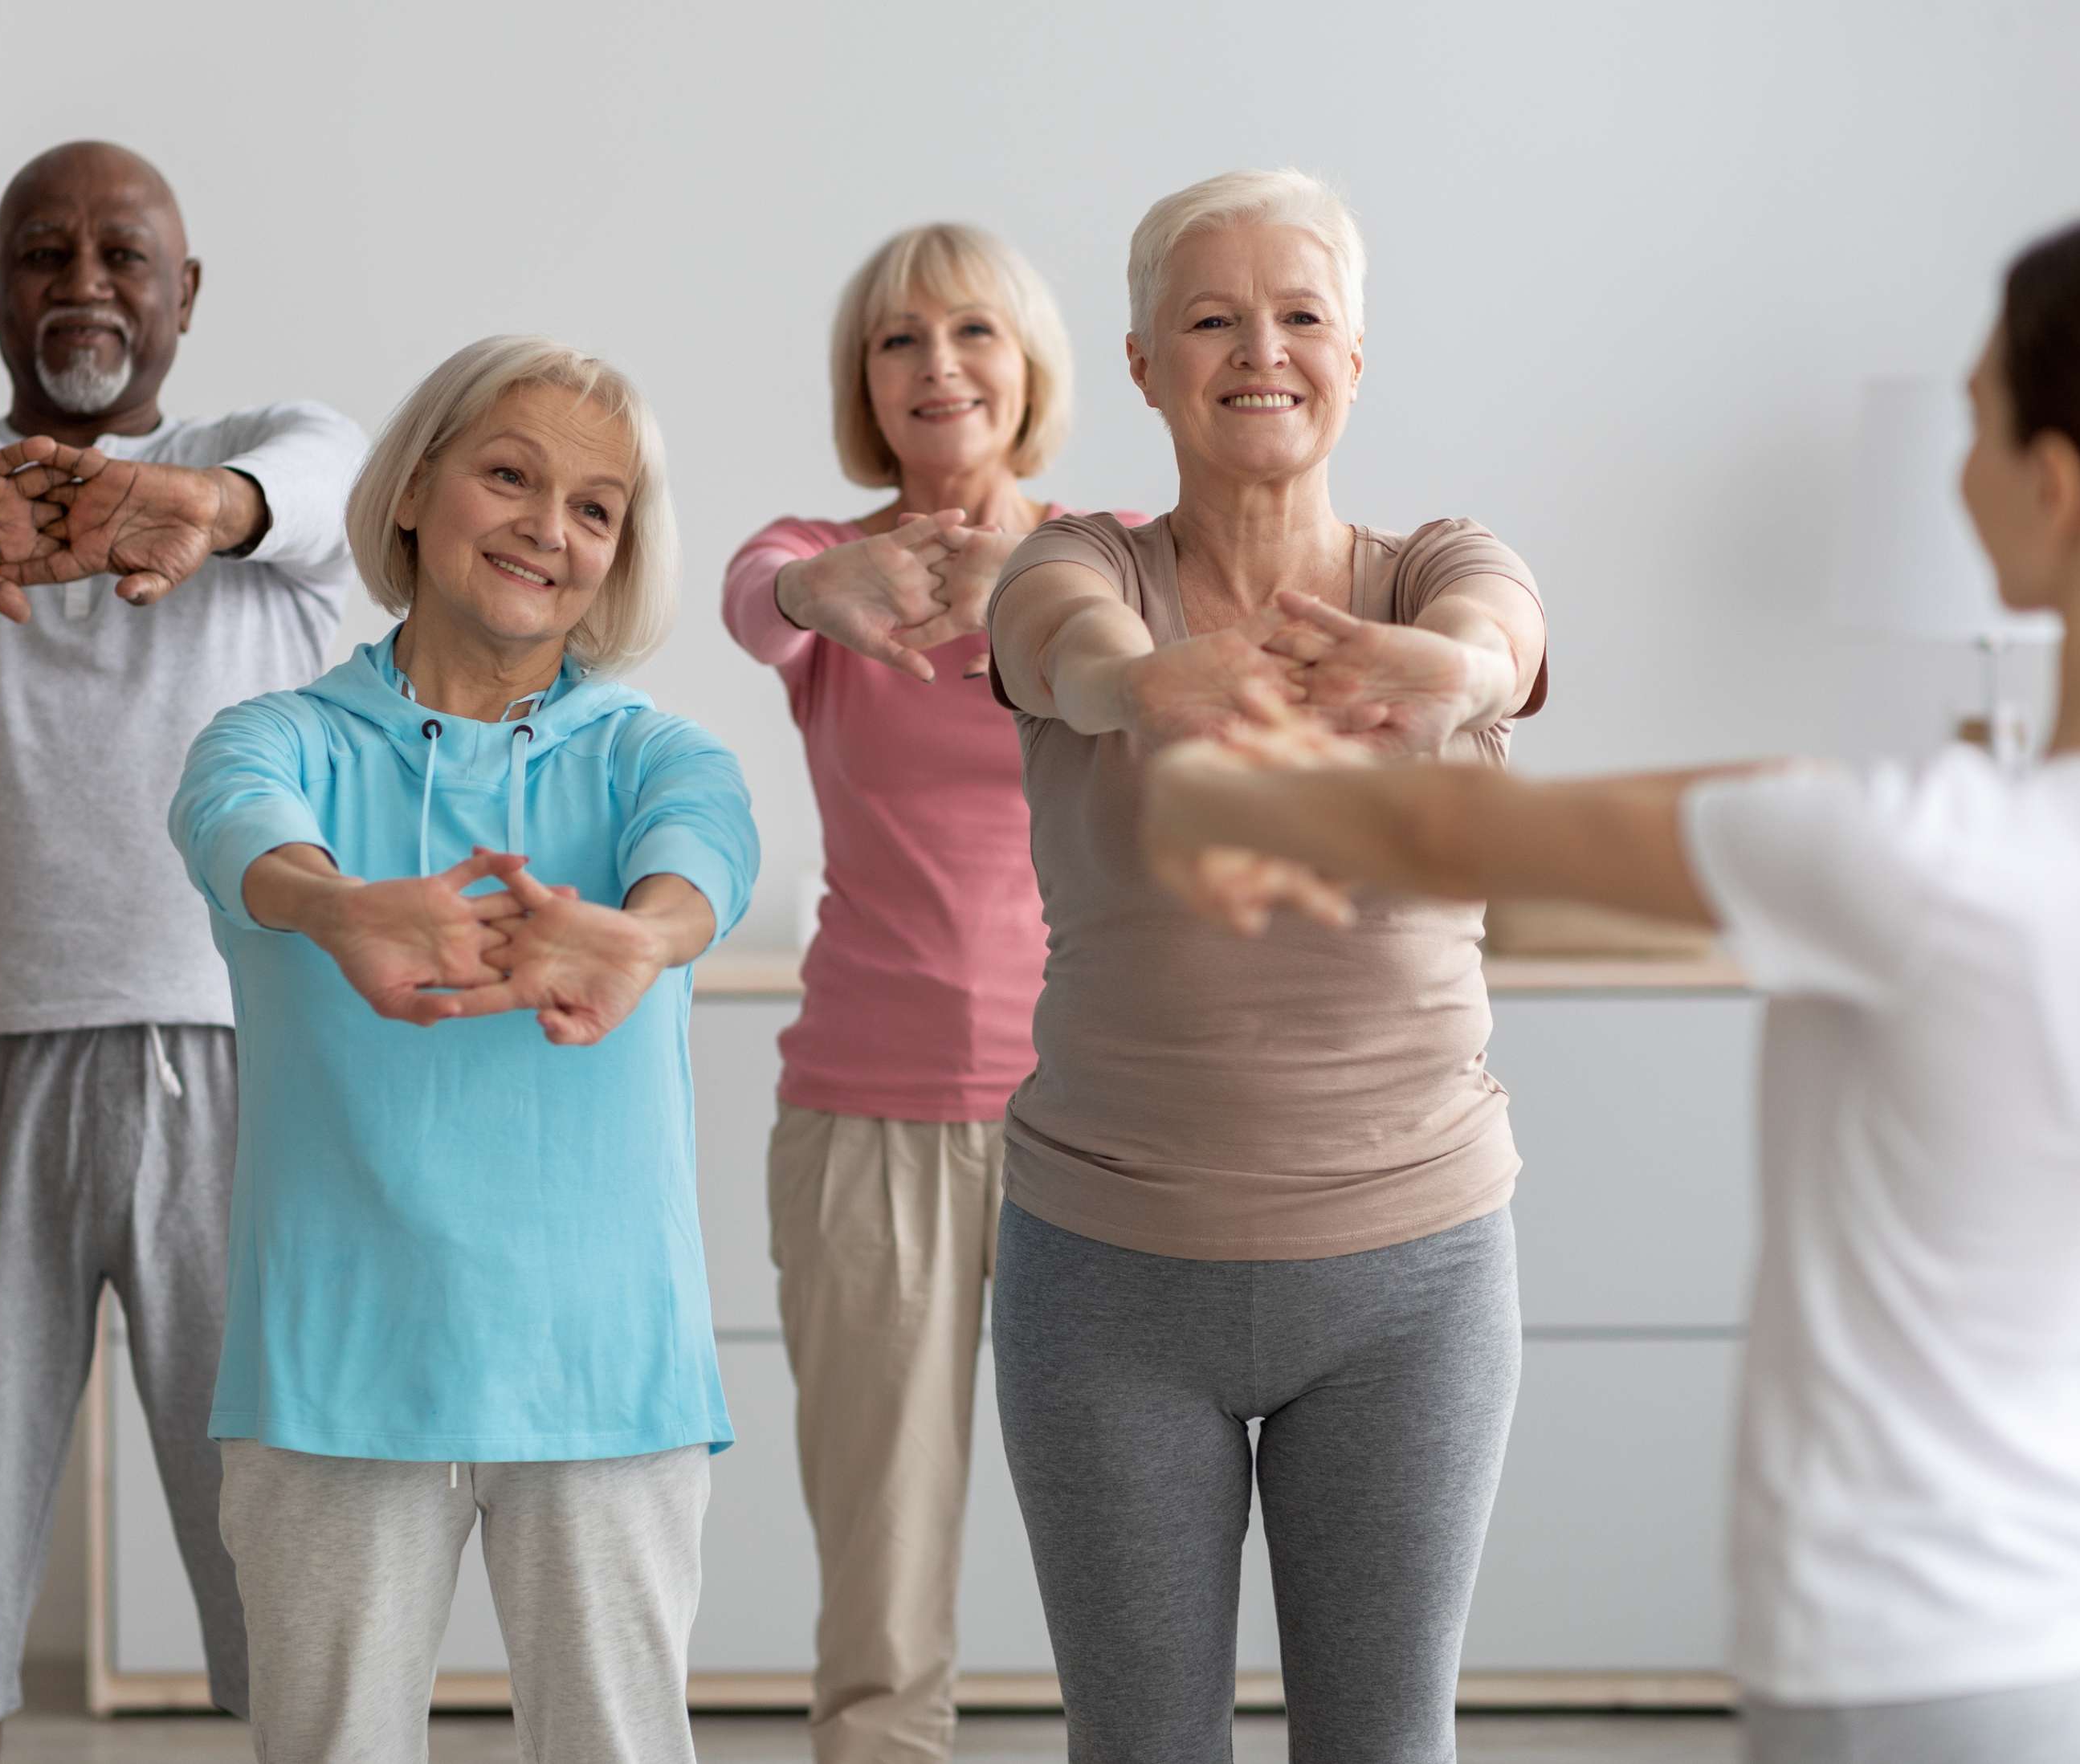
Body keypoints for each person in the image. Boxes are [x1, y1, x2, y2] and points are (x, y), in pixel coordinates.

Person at [1136, 198, 2080, 1764]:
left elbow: (1459, 821)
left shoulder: (1932, 866)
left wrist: (1216, 796)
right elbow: (1708, 806)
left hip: (1938, 1681)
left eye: (1972, 421)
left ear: (2059, 487)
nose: (1954, 471)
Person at [0, 141, 364, 1758]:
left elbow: (334, 478)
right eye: (43, 252)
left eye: (123, 253)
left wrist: (201, 506)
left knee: (309, 1577)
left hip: (253, 1079)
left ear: (185, 295)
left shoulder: (266, 478)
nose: (84, 280)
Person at [980, 168, 1552, 1762]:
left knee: (1382, 1740)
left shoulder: (1434, 568)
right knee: (1140, 1741)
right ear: (1147, 365)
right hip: (1106, 1269)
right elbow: (1060, 655)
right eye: (1212, 318)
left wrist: (1448, 676)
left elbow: (1501, 632)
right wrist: (1149, 687)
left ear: (1354, 361)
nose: (1262, 350)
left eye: (1302, 315)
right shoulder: (1076, 568)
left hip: (1411, 1269)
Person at [169, 335, 757, 1764]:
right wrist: (342, 907)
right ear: (420, 486)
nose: (550, 528)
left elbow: (704, 864)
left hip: (603, 1372)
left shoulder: (656, 758)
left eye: (597, 507)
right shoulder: (281, 738)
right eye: (511, 474)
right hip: (338, 1372)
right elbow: (238, 828)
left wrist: (642, 936)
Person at [718, 221, 1132, 1764]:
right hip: (866, 1121)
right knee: (883, 1589)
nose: (937, 366)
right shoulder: (811, 562)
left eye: (972, 333)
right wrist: (848, 581)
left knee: (1130, 1548)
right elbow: (758, 601)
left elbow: (1159, 656)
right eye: (899, 340)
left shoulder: (1116, 554)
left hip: (1095, 1117)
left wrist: (1021, 575)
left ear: (1030, 369)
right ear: (864, 383)